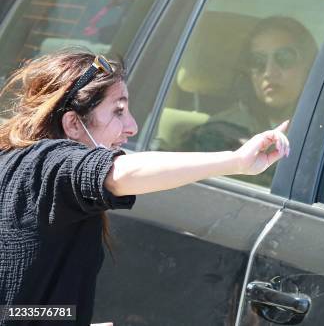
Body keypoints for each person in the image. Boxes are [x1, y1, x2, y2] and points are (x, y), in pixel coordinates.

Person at [0, 50, 289, 325]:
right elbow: (118, 173)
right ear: (73, 124)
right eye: (118, 111)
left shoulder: (24, 166)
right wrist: (237, 161)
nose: (132, 127)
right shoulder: (49, 165)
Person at [180, 16, 317, 185]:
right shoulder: (217, 135)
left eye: (284, 58)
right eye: (257, 61)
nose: (269, 72)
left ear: (309, 65)